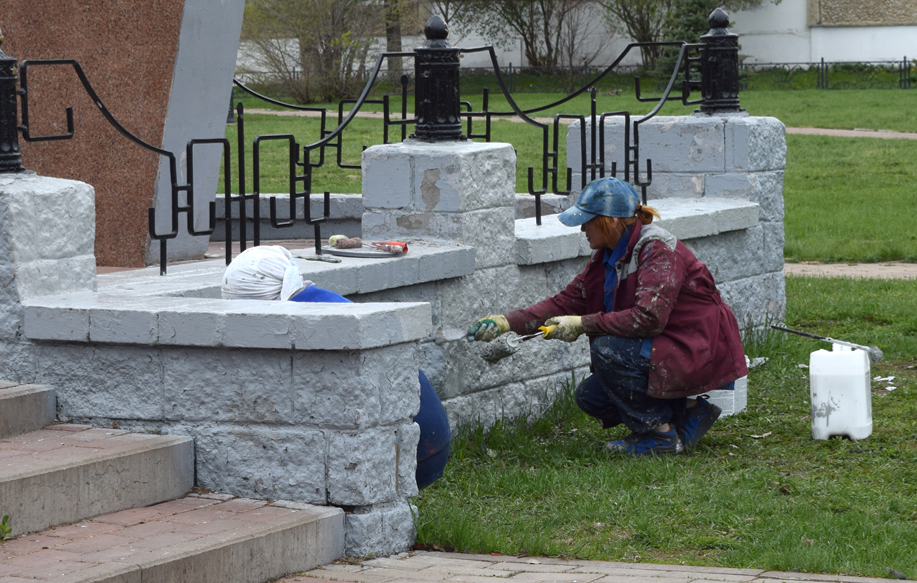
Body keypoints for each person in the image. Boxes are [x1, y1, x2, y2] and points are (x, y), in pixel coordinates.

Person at [466, 177, 747, 456]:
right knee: (591, 397)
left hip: (696, 347)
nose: (583, 228)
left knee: (607, 349)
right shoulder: (607, 256)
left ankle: (659, 435)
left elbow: (649, 318)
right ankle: (689, 413)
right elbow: (564, 302)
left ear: (610, 221)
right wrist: (505, 322)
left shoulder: (657, 250)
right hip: (670, 347)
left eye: (588, 221)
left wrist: (582, 324)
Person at [221, 245, 450, 487]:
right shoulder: (322, 300)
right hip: (432, 439)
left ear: (262, 300)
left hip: (412, 455)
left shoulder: (304, 323)